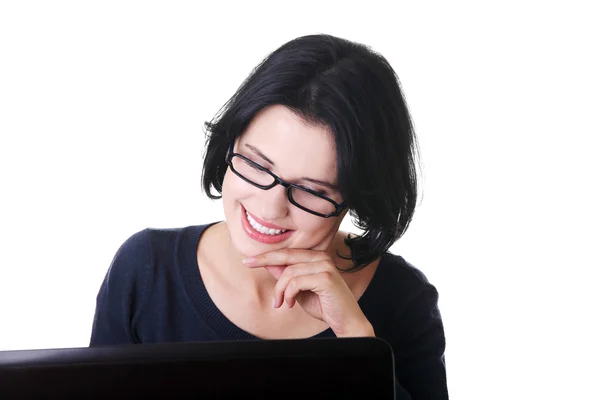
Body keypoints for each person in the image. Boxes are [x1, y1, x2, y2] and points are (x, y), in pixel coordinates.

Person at [90, 34, 448, 399]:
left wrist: (357, 342)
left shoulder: (402, 299)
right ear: (231, 142)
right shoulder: (146, 271)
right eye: (257, 165)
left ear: (355, 198)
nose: (270, 206)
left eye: (312, 190)